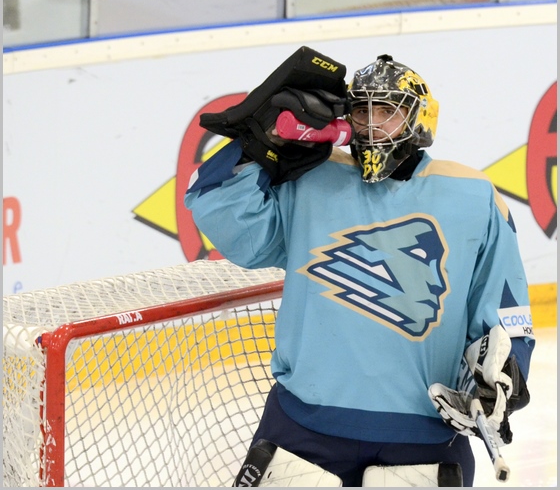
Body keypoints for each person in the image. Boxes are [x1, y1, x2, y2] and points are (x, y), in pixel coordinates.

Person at [184, 50, 535, 487]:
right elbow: (229, 221)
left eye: (386, 111)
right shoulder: (311, 176)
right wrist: (259, 141)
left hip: (425, 434)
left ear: (419, 119)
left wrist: (505, 376)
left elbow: (505, 309)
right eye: (362, 111)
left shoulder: (472, 195)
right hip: (303, 423)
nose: (371, 124)